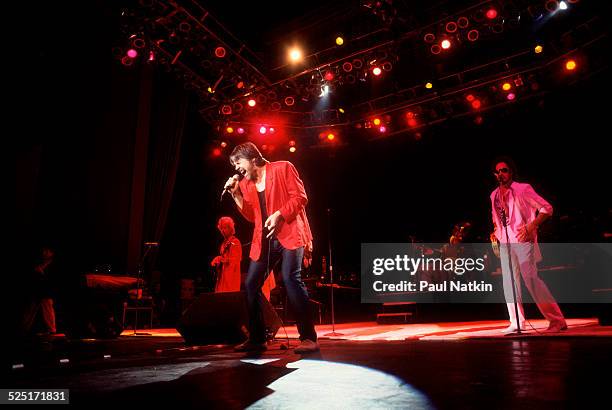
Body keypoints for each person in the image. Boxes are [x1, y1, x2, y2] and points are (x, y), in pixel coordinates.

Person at [224, 142, 318, 353]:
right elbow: (251, 216)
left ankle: (308, 338)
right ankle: (257, 339)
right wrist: (236, 194)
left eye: (238, 162)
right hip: (265, 239)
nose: (237, 168)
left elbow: (300, 198)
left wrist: (279, 214)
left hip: (290, 232)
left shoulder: (283, 167)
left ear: (251, 158)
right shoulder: (247, 184)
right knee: (250, 285)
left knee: (290, 278)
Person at [489, 157, 567, 333]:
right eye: (498, 171)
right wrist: (496, 231)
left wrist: (532, 225)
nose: (501, 173)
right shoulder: (493, 195)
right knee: (509, 283)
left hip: (523, 240)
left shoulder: (522, 189)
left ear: (511, 172)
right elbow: (496, 217)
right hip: (505, 242)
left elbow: (547, 208)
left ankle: (557, 320)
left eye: (505, 170)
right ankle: (517, 322)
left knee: (531, 279)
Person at [20, 246, 57, 337]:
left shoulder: (52, 264)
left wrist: (41, 273)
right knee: (30, 310)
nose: (44, 252)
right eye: (44, 251)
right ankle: (23, 329)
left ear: (51, 253)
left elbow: (51, 278)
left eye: (47, 251)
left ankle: (51, 329)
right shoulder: (40, 263)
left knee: (47, 309)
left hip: (46, 290)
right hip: (37, 290)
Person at [211, 217, 242, 293]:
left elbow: (236, 260)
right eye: (221, 228)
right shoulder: (223, 244)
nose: (223, 231)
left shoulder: (235, 242)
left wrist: (221, 259)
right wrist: (218, 261)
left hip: (231, 278)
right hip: (222, 277)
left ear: (230, 228)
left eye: (225, 228)